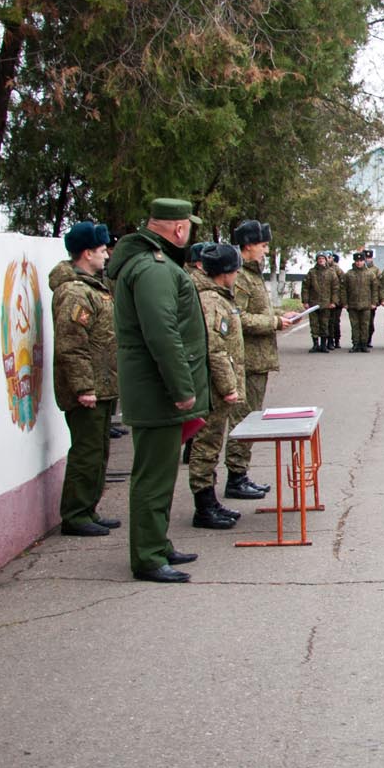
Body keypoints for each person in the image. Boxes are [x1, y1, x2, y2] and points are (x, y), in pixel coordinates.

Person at [108, 198, 210, 583]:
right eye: (189, 227)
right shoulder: (153, 268)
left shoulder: (154, 264)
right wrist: (183, 389)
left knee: (162, 472)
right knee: (152, 476)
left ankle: (157, 543)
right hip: (158, 391)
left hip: (157, 390)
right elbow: (162, 333)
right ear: (179, 229)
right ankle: (148, 557)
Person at [50, 221, 121, 537]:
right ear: (86, 253)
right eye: (102, 250)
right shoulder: (75, 292)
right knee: (86, 453)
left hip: (102, 385)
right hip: (89, 388)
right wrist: (83, 387)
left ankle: (88, 508)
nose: (106, 256)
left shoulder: (93, 287)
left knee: (99, 451)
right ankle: (76, 515)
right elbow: (71, 344)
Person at [187, 243, 246, 530]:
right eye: (235, 270)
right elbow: (216, 349)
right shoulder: (211, 301)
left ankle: (210, 501)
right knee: (206, 444)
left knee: (212, 442)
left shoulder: (220, 297)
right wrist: (228, 386)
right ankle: (203, 506)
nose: (237, 274)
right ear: (225, 272)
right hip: (213, 387)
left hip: (217, 386)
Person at [223, 219, 283, 499]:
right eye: (262, 245)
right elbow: (239, 318)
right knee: (243, 420)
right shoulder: (242, 277)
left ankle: (241, 473)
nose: (265, 250)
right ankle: (235, 476)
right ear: (247, 246)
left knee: (250, 418)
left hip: (257, 360)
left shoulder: (253, 274)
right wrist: (273, 322)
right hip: (246, 360)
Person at [343, 250, 383, 352]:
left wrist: (374, 302)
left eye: (361, 261)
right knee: (355, 325)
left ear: (364, 261)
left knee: (365, 325)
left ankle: (364, 344)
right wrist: (345, 303)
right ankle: (356, 344)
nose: (359, 263)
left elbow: (375, 289)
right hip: (353, 304)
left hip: (366, 304)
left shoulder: (370, 274)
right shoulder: (349, 274)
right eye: (357, 261)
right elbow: (343, 289)